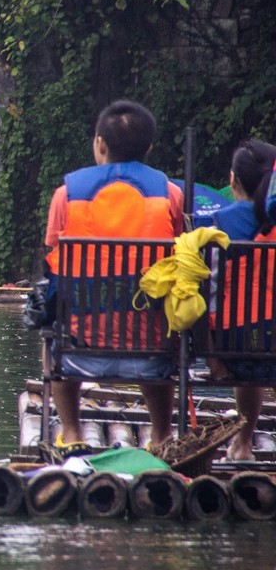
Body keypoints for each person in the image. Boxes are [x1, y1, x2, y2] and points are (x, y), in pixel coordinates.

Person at [42, 100, 184, 458]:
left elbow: (53, 262)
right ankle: (162, 434)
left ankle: (71, 432)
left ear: (100, 144)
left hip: (80, 344)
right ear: (149, 149)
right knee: (160, 316)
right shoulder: (170, 194)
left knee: (52, 323)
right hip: (153, 343)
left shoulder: (66, 195)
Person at [204, 139, 276, 461]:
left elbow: (204, 296)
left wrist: (212, 355)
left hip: (233, 354)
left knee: (248, 334)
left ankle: (243, 444)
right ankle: (243, 443)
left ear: (232, 180)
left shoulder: (217, 224)